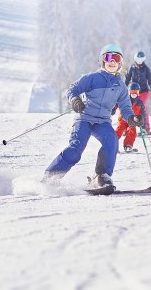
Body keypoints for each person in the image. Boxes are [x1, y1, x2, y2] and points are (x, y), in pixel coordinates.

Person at [43, 44, 143, 188]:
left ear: (120, 62)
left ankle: (101, 176)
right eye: (108, 57)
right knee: (76, 149)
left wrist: (131, 118)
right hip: (84, 118)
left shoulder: (120, 86)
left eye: (116, 57)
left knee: (112, 142)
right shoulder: (92, 78)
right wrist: (75, 100)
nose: (112, 61)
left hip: (102, 122)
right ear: (102, 61)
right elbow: (73, 89)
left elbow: (126, 107)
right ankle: (50, 177)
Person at [125, 51, 151, 133]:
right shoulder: (132, 67)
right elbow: (128, 78)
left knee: (142, 107)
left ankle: (145, 128)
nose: (139, 62)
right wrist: (124, 86)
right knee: (130, 107)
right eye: (138, 60)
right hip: (134, 91)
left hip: (143, 91)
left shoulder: (146, 69)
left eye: (141, 60)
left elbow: (150, 79)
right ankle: (128, 128)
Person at [116, 83, 147, 152]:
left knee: (132, 132)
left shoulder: (140, 103)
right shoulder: (125, 100)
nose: (133, 94)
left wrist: (143, 124)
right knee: (119, 130)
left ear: (138, 92)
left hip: (133, 120)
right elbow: (117, 103)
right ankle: (113, 145)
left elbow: (143, 114)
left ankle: (128, 145)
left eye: (135, 92)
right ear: (129, 92)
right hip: (123, 119)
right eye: (132, 92)